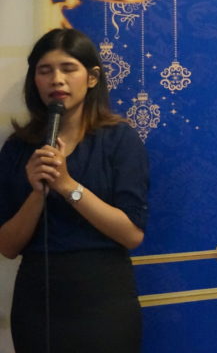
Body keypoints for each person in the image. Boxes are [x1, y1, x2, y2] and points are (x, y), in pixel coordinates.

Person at [0, 28, 149, 353]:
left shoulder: (119, 140)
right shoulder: (17, 148)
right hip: (36, 299)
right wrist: (37, 193)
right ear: (34, 80)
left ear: (92, 77)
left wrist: (67, 185)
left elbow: (131, 235)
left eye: (68, 68)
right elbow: (8, 246)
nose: (57, 79)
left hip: (104, 297)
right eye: (45, 70)